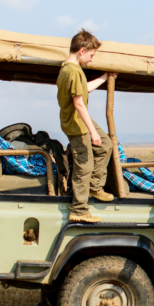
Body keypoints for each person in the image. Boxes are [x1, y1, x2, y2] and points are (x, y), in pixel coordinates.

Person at [56, 29, 117, 223]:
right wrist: (92, 132)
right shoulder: (73, 71)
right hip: (77, 124)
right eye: (91, 55)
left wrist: (104, 77)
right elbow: (79, 104)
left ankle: (94, 186)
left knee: (106, 144)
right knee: (84, 165)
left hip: (79, 120)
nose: (91, 59)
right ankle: (79, 210)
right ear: (82, 50)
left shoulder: (70, 69)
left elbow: (85, 90)